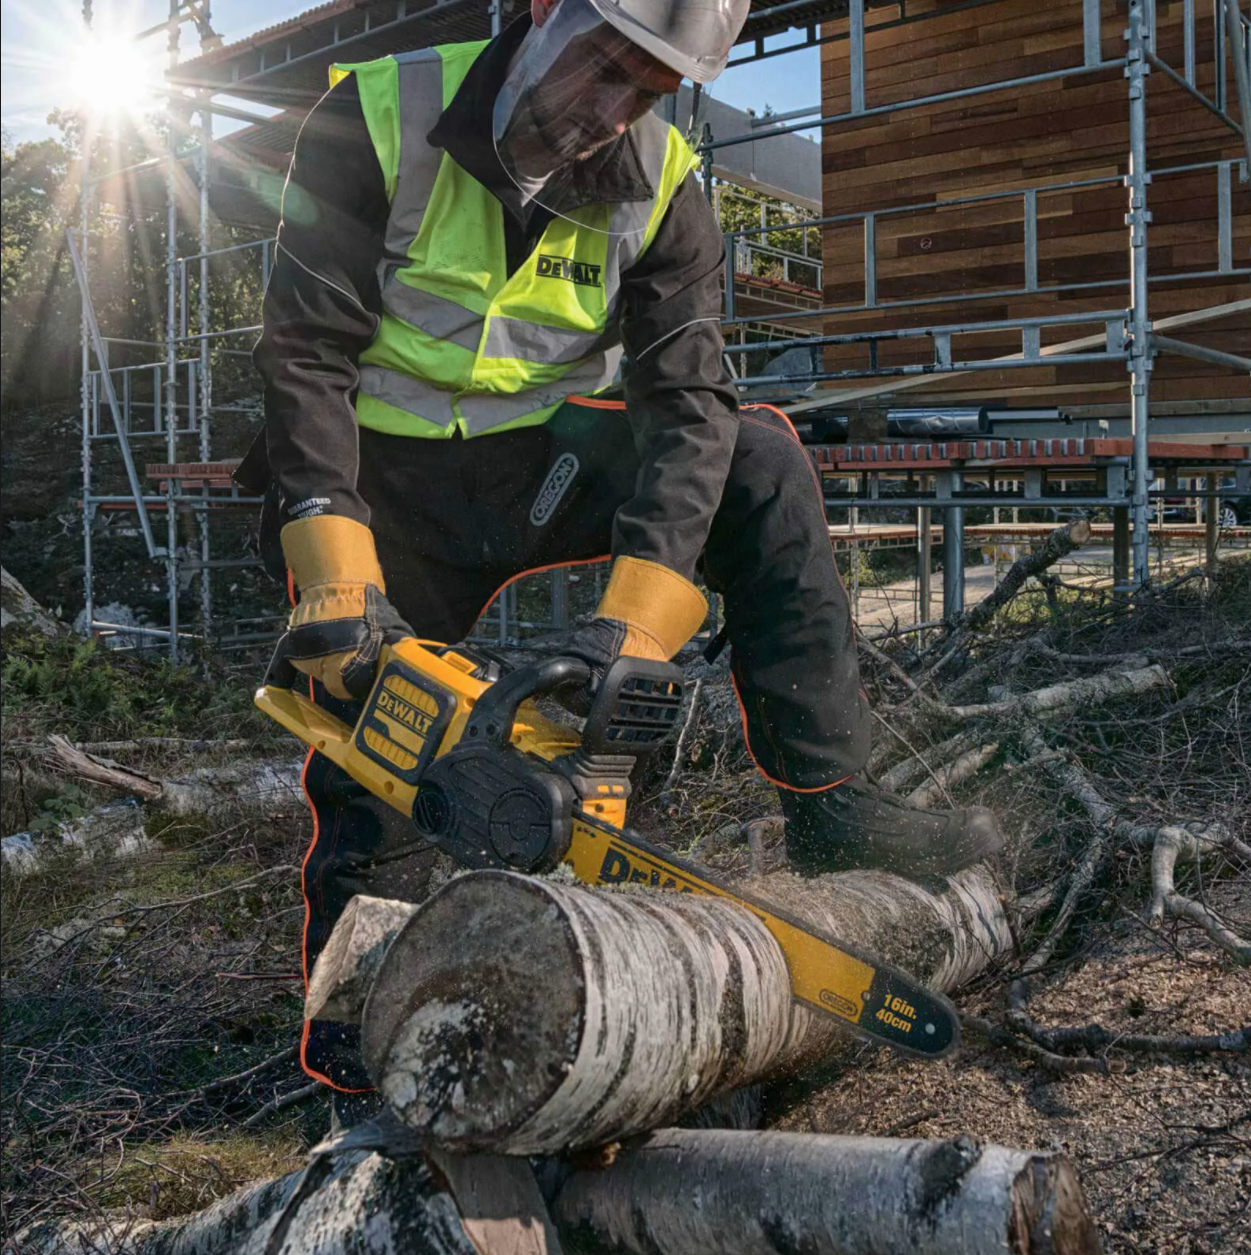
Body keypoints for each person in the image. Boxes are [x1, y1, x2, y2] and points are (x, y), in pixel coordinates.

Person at [246, 0, 1003, 1097]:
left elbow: (689, 402)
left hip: (539, 465)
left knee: (759, 459)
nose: (611, 110)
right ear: (543, 11)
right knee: (380, 743)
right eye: (603, 66)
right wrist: (335, 577)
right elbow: (303, 351)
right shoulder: (376, 115)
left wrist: (629, 635)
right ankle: (356, 1030)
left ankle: (834, 803)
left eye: (646, 89)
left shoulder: (664, 180)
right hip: (376, 475)